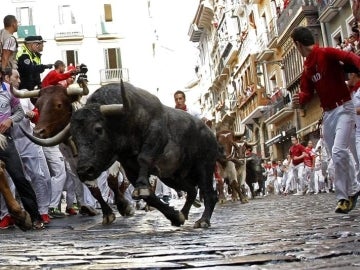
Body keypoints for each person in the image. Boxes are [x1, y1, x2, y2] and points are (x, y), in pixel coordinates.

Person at [291, 26, 360, 213]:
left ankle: (343, 197)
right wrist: (300, 99)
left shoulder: (326, 53)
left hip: (345, 108)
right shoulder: (307, 68)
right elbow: (306, 91)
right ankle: (353, 189)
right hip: (328, 115)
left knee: (339, 151)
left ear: (297, 45)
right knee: (335, 156)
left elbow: (350, 58)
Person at [5, 68, 52, 224]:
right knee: (10, 180)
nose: (19, 80)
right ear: (7, 78)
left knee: (37, 175)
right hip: (10, 141)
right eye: (16, 77)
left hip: (28, 141)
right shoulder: (4, 92)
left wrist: (33, 115)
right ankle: (7, 214)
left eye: (19, 77)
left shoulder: (23, 95)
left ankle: (43, 211)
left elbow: (38, 116)